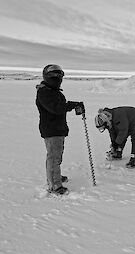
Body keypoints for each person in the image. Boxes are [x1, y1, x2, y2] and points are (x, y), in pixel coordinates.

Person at [36, 64, 85, 195]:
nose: (57, 78)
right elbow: (56, 108)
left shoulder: (52, 91)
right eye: (54, 76)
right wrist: (71, 105)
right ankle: (55, 185)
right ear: (47, 77)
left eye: (59, 76)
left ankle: (54, 176)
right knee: (54, 157)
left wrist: (72, 105)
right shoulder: (45, 92)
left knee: (56, 156)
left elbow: (59, 106)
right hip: (52, 130)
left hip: (57, 128)